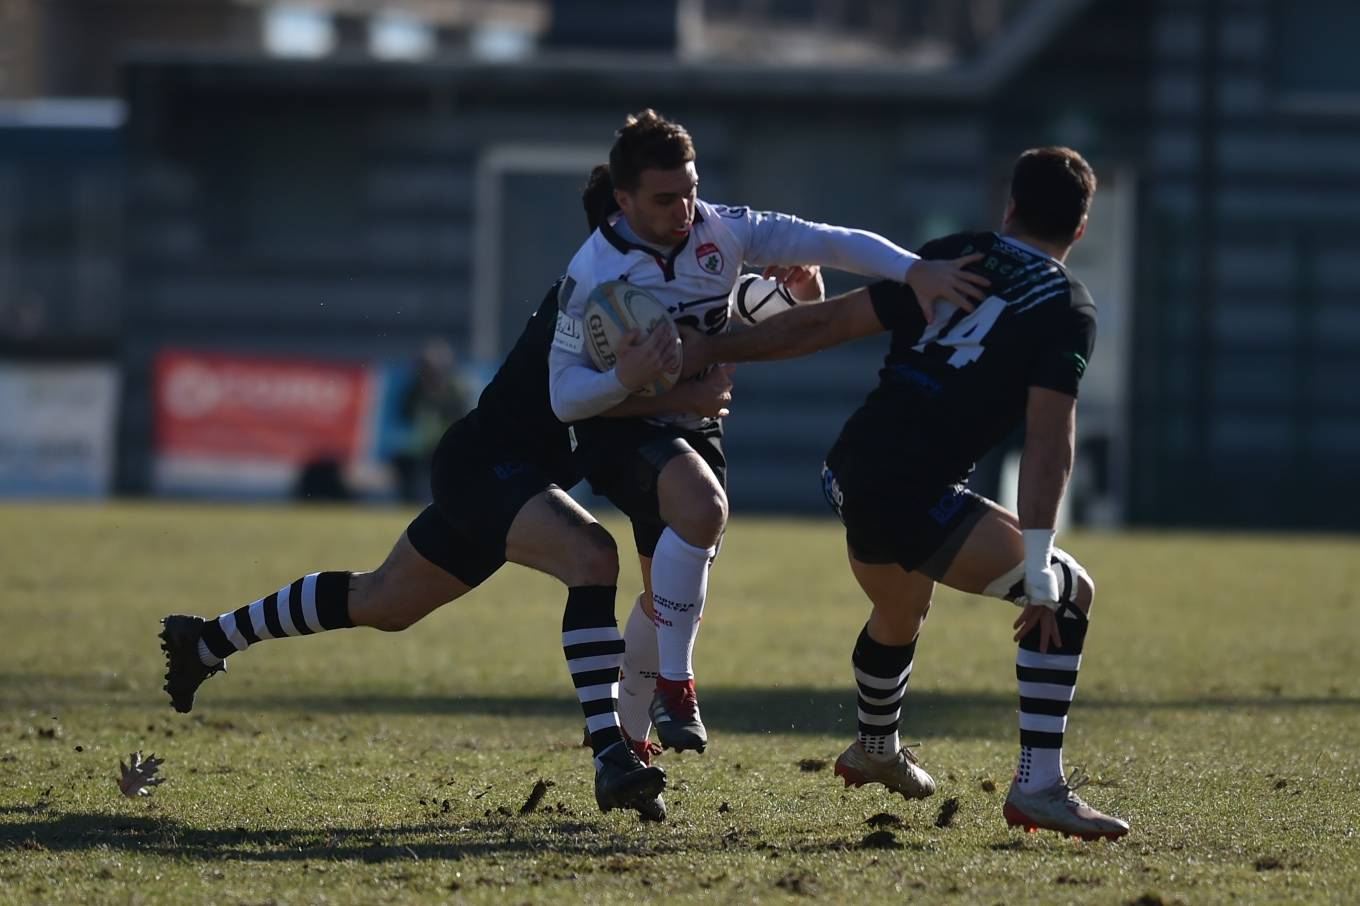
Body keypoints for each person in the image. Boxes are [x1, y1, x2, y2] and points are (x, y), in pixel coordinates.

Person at [158, 172, 733, 820]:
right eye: (655, 222)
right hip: (484, 469)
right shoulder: (596, 311)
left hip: (505, 478)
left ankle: (205, 641)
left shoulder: (641, 305)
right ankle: (611, 756)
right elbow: (605, 398)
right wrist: (688, 391)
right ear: (618, 229)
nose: (674, 236)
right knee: (592, 557)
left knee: (381, 601)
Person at [680, 147, 1129, 839]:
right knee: (1068, 593)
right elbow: (1049, 443)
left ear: (1008, 207)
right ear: (1080, 230)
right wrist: (1038, 565)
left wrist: (708, 349)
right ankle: (1039, 787)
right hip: (910, 484)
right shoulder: (1068, 306)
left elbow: (828, 324)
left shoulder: (955, 256)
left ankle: (875, 748)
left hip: (850, 465)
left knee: (902, 599)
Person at [548, 108, 988, 756]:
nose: (685, 208)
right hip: (622, 427)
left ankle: (630, 745)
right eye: (666, 198)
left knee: (662, 598)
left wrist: (912, 270)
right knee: (703, 508)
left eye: (691, 189)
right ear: (623, 199)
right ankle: (677, 684)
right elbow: (564, 397)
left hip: (697, 424)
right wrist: (631, 378)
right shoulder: (592, 274)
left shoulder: (721, 231)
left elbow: (830, 241)